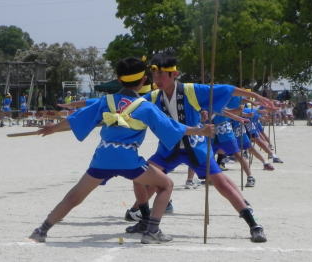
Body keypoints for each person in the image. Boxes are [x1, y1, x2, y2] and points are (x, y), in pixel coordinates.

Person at [28, 57, 214, 244]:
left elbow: (76, 119)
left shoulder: (105, 101)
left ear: (119, 79)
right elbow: (173, 127)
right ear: (143, 81)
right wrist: (201, 130)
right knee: (166, 185)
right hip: (128, 159)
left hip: (103, 157)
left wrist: (53, 128)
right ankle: (152, 231)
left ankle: (42, 230)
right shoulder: (146, 107)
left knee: (75, 195)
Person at [127, 53, 275, 243]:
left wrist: (255, 96)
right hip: (167, 149)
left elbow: (227, 90)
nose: (157, 80)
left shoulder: (191, 90)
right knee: (140, 178)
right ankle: (145, 219)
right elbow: (130, 106)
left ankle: (254, 224)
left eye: (161, 75)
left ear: (175, 74)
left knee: (222, 184)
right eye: (154, 76)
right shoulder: (154, 96)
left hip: (196, 147)